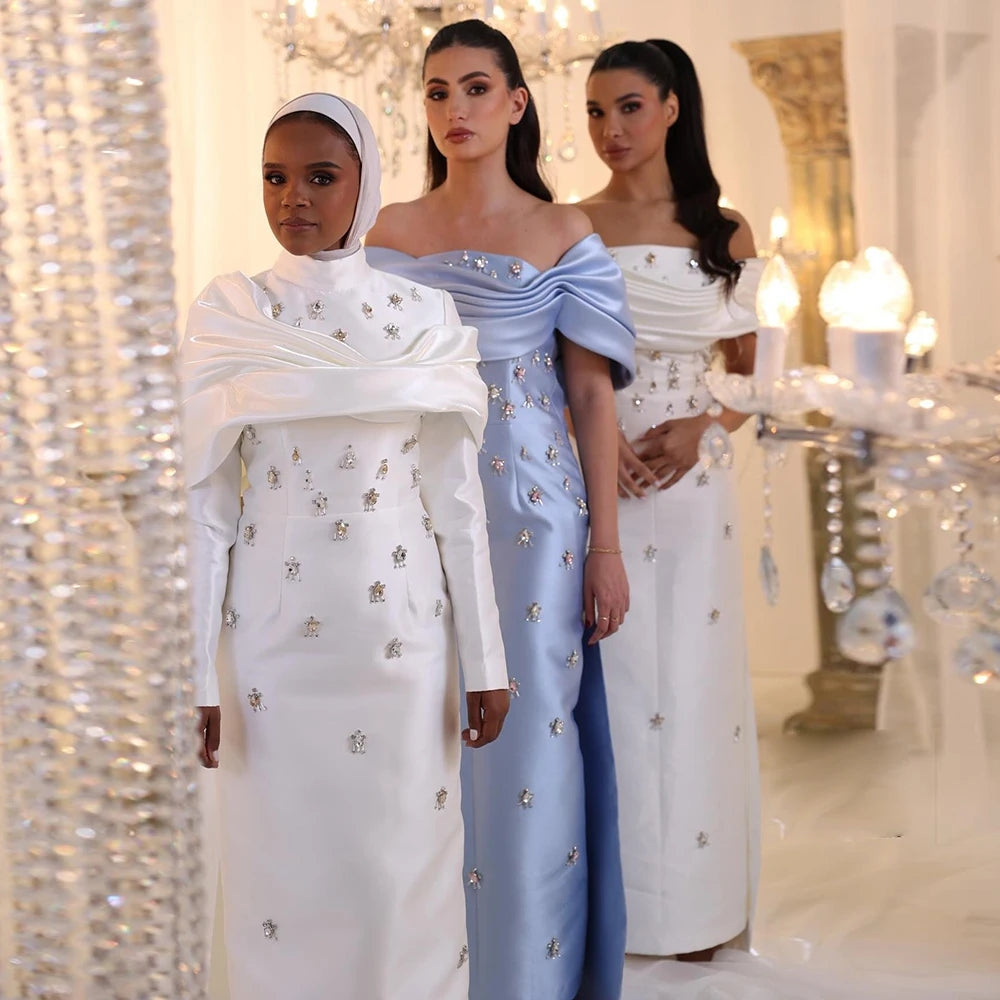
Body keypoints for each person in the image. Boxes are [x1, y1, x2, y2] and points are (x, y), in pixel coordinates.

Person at [180, 92, 509, 1000]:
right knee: (282, 872)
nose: (294, 197)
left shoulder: (425, 318)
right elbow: (206, 512)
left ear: (366, 184)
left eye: (321, 177)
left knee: (401, 868)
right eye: (275, 177)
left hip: (403, 646)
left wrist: (487, 659)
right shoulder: (231, 315)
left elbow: (457, 506)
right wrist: (192, 671)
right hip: (272, 652)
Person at [366, 19, 635, 1000]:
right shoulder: (385, 232)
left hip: (532, 518)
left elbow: (592, 395)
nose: (455, 109)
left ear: (517, 103)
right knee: (415, 731)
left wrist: (606, 547)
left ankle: (526, 979)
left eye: (475, 88)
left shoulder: (563, 234)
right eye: (437, 91)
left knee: (526, 739)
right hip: (403, 512)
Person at [579, 39, 762, 962]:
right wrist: (594, 439)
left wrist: (703, 428)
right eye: (595, 112)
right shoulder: (571, 223)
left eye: (629, 107)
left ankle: (696, 912)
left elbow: (756, 377)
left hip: (693, 490)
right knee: (614, 688)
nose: (611, 129)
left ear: (671, 107)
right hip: (596, 480)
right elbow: (548, 363)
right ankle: (619, 915)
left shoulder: (724, 230)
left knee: (693, 684)